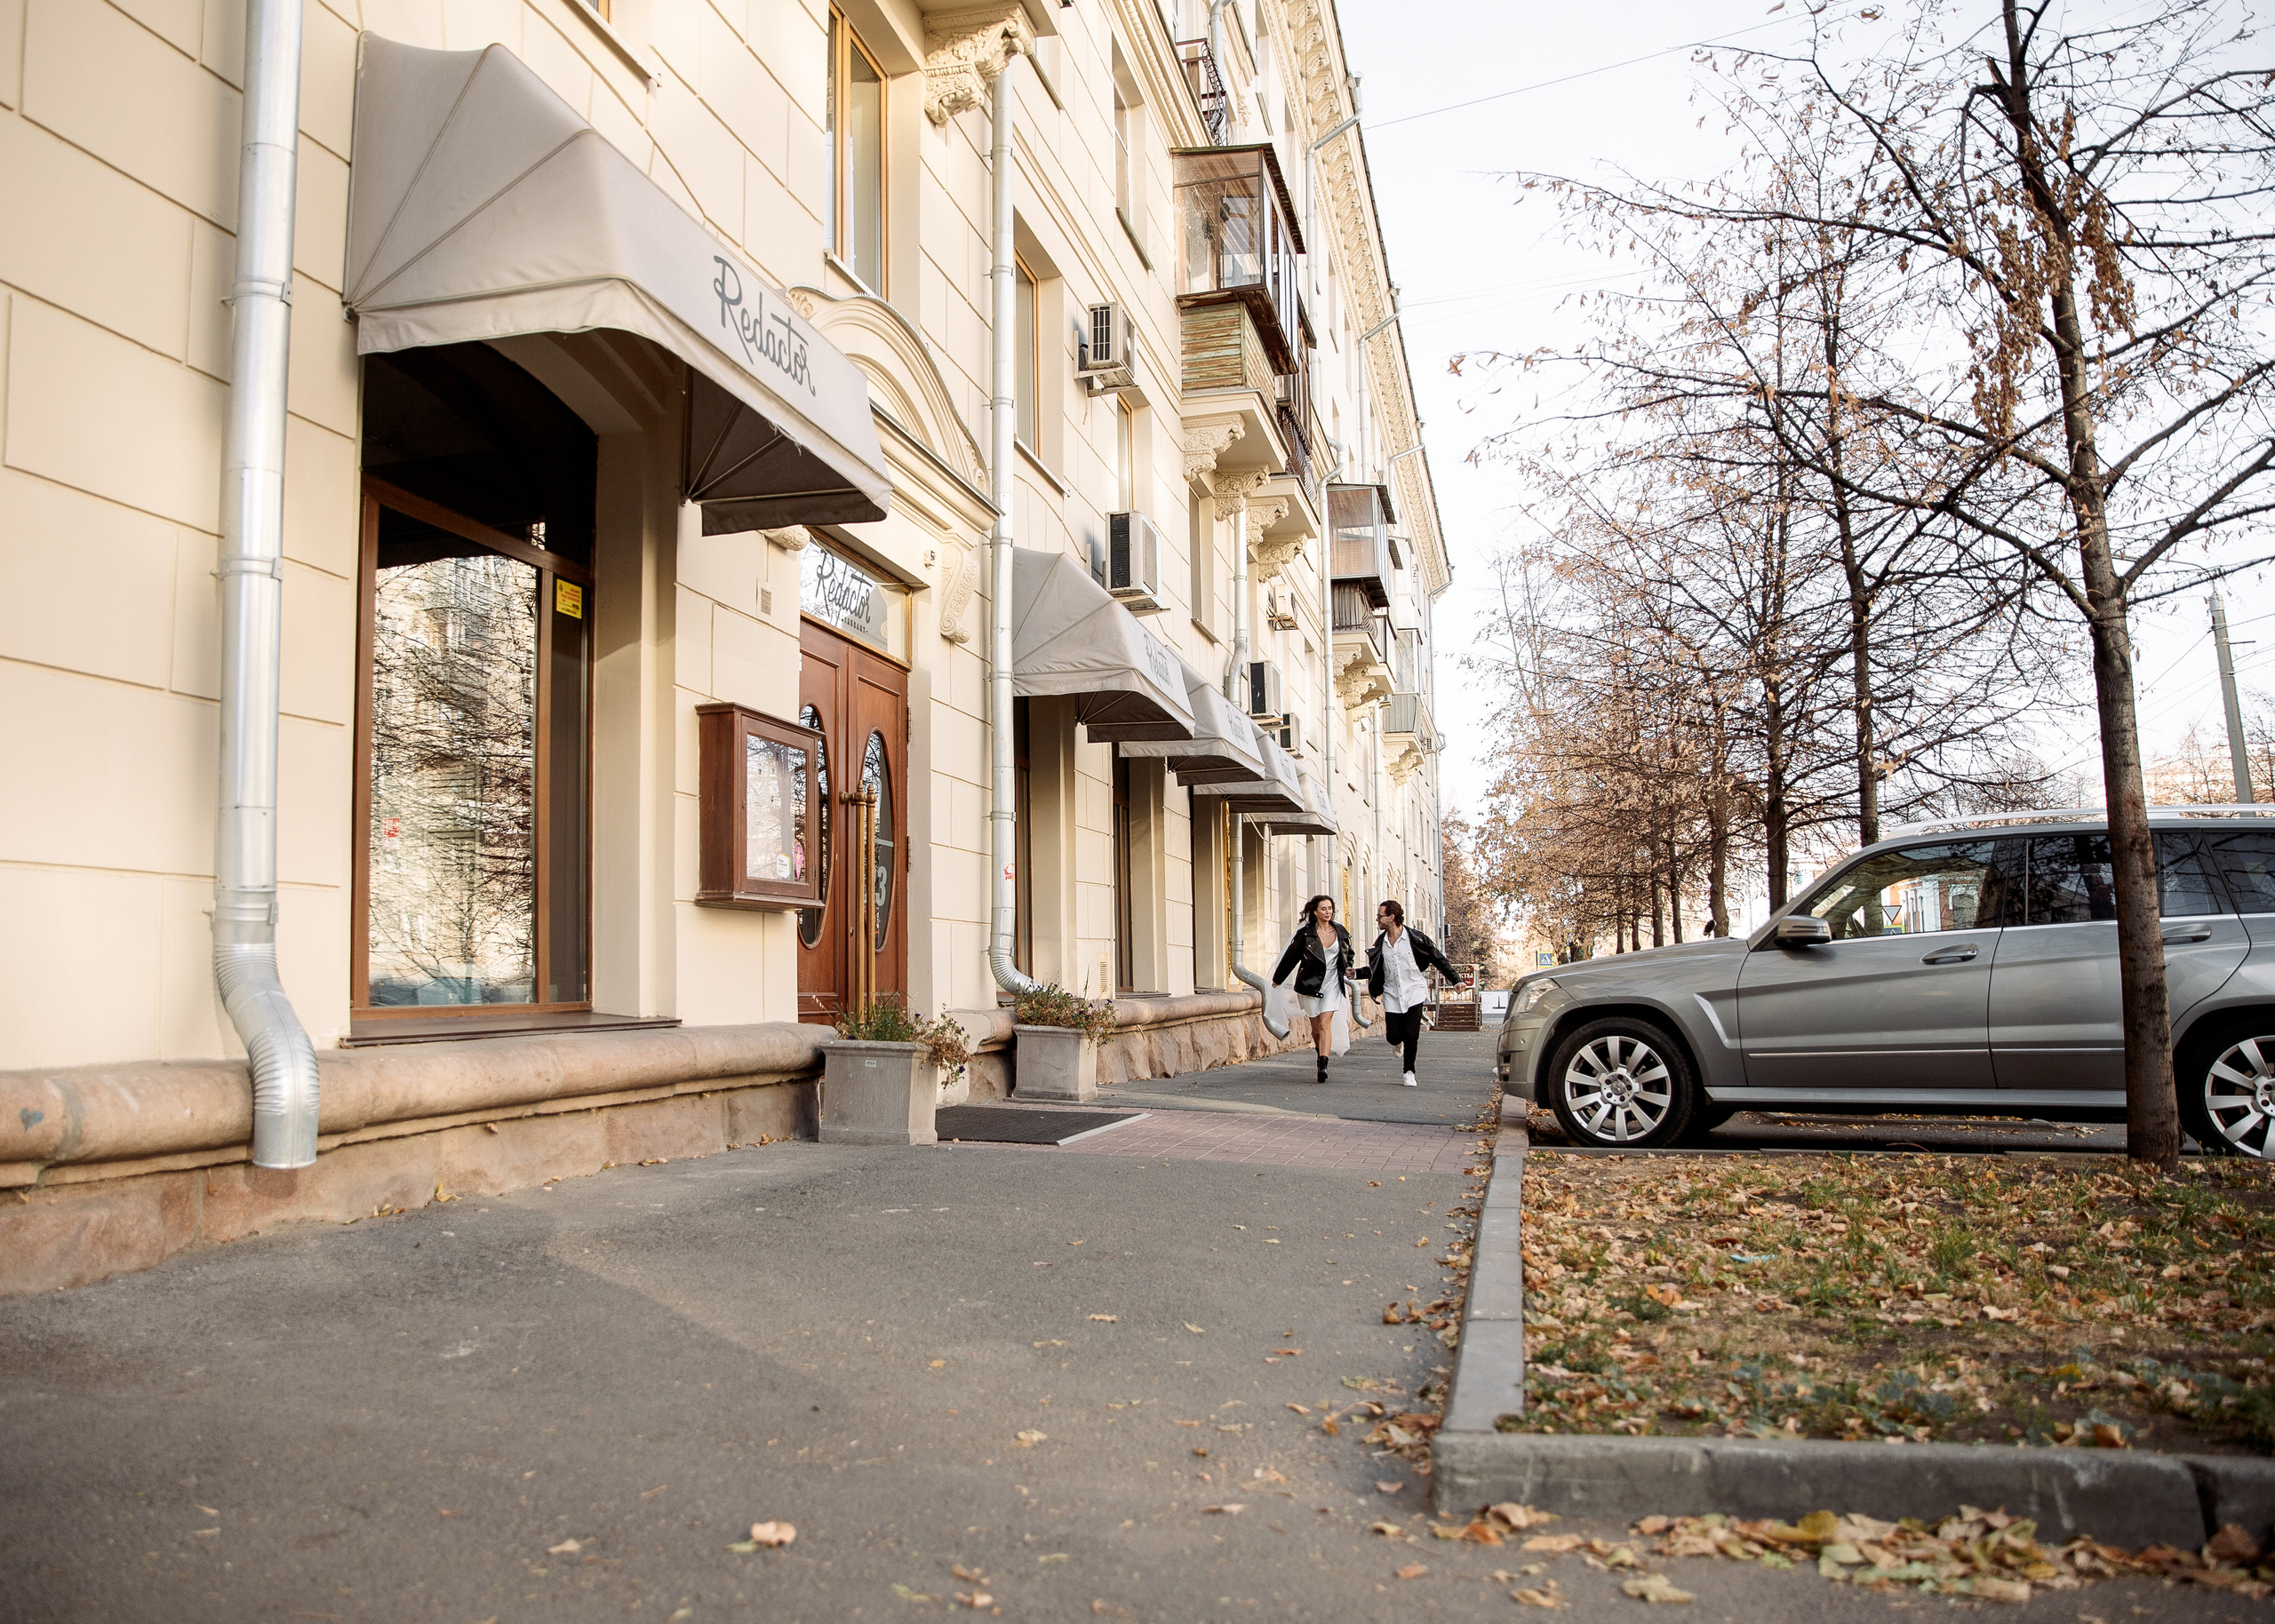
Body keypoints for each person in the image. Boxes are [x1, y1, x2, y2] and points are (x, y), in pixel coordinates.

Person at [1366, 900, 1462, 1087]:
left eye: (1380, 916)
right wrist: (1356, 973)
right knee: (1393, 1036)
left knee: (1411, 1034)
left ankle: (1409, 1071)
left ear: (1391, 917)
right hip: (1392, 993)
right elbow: (1374, 969)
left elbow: (1439, 959)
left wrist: (1456, 980)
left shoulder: (1416, 939)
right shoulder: (1380, 943)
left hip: (1414, 991)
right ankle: (1397, 1042)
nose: (1377, 919)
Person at [1269, 895, 1356, 1084]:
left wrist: (1348, 967)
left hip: (1332, 984)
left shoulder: (1340, 931)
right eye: (1323, 909)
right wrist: (1278, 978)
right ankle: (1320, 1052)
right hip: (1310, 984)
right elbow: (1291, 957)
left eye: (1330, 908)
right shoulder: (1306, 934)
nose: (1328, 912)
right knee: (1316, 1029)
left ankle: (1323, 1065)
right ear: (1315, 911)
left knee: (1325, 1024)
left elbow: (1348, 953)